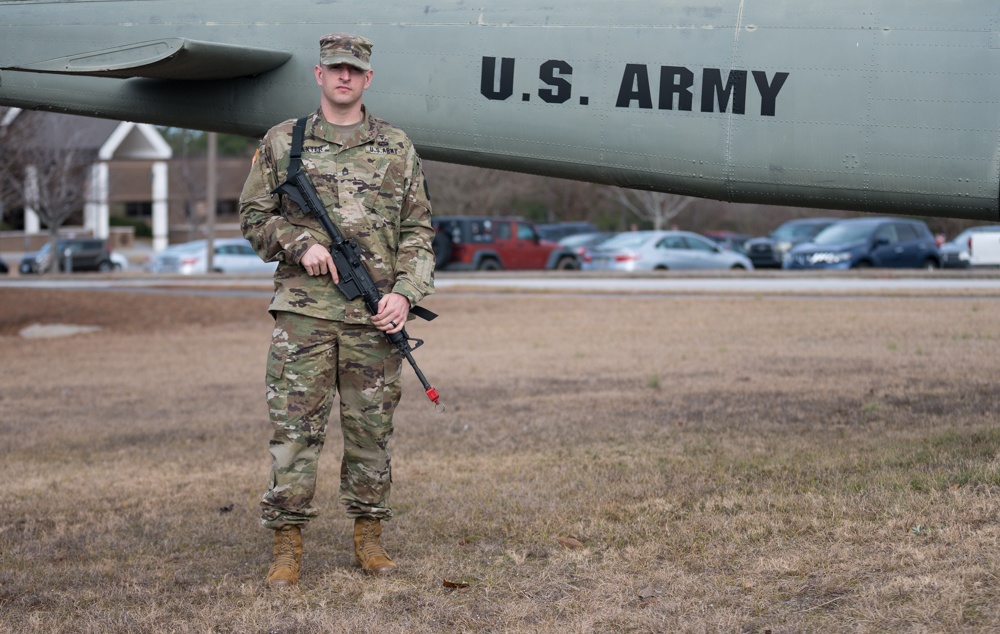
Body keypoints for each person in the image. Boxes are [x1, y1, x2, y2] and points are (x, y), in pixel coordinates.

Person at [239, 33, 435, 587]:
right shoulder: (283, 142)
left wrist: (405, 294)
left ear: (367, 78)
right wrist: (301, 245)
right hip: (303, 313)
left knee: (371, 432)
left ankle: (369, 537)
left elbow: (419, 233)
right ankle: (286, 544)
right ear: (318, 76)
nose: (344, 77)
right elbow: (253, 217)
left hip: (374, 319)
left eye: (354, 69)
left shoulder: (396, 146)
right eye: (334, 68)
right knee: (295, 432)